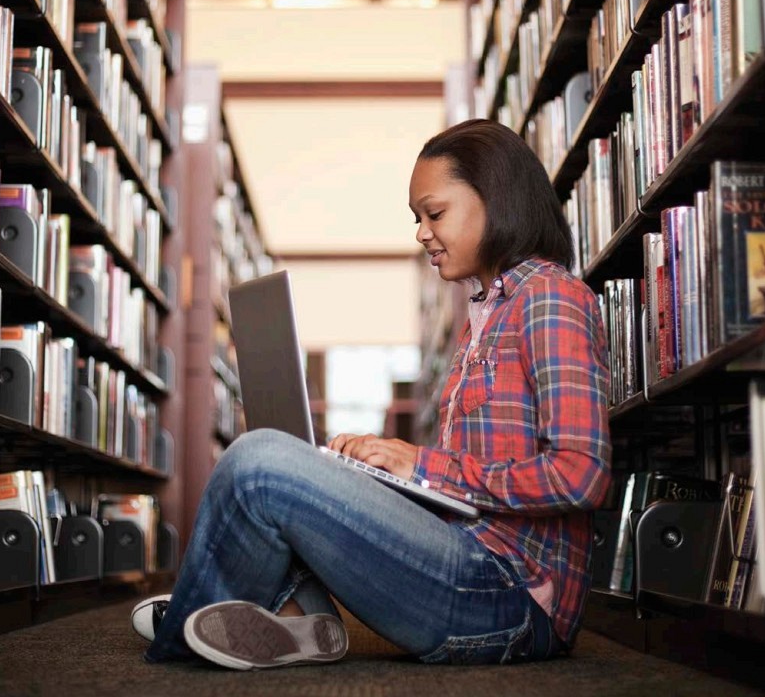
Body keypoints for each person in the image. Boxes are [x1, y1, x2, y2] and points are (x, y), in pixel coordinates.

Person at [132, 118, 611, 670]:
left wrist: (423, 468)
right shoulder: (483, 315)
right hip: (466, 559)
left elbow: (581, 474)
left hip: (509, 595)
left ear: (495, 199)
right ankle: (296, 623)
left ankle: (201, 622)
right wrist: (379, 477)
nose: (422, 233)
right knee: (297, 464)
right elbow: (467, 487)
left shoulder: (552, 298)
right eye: (417, 219)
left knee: (258, 462)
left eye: (435, 214)